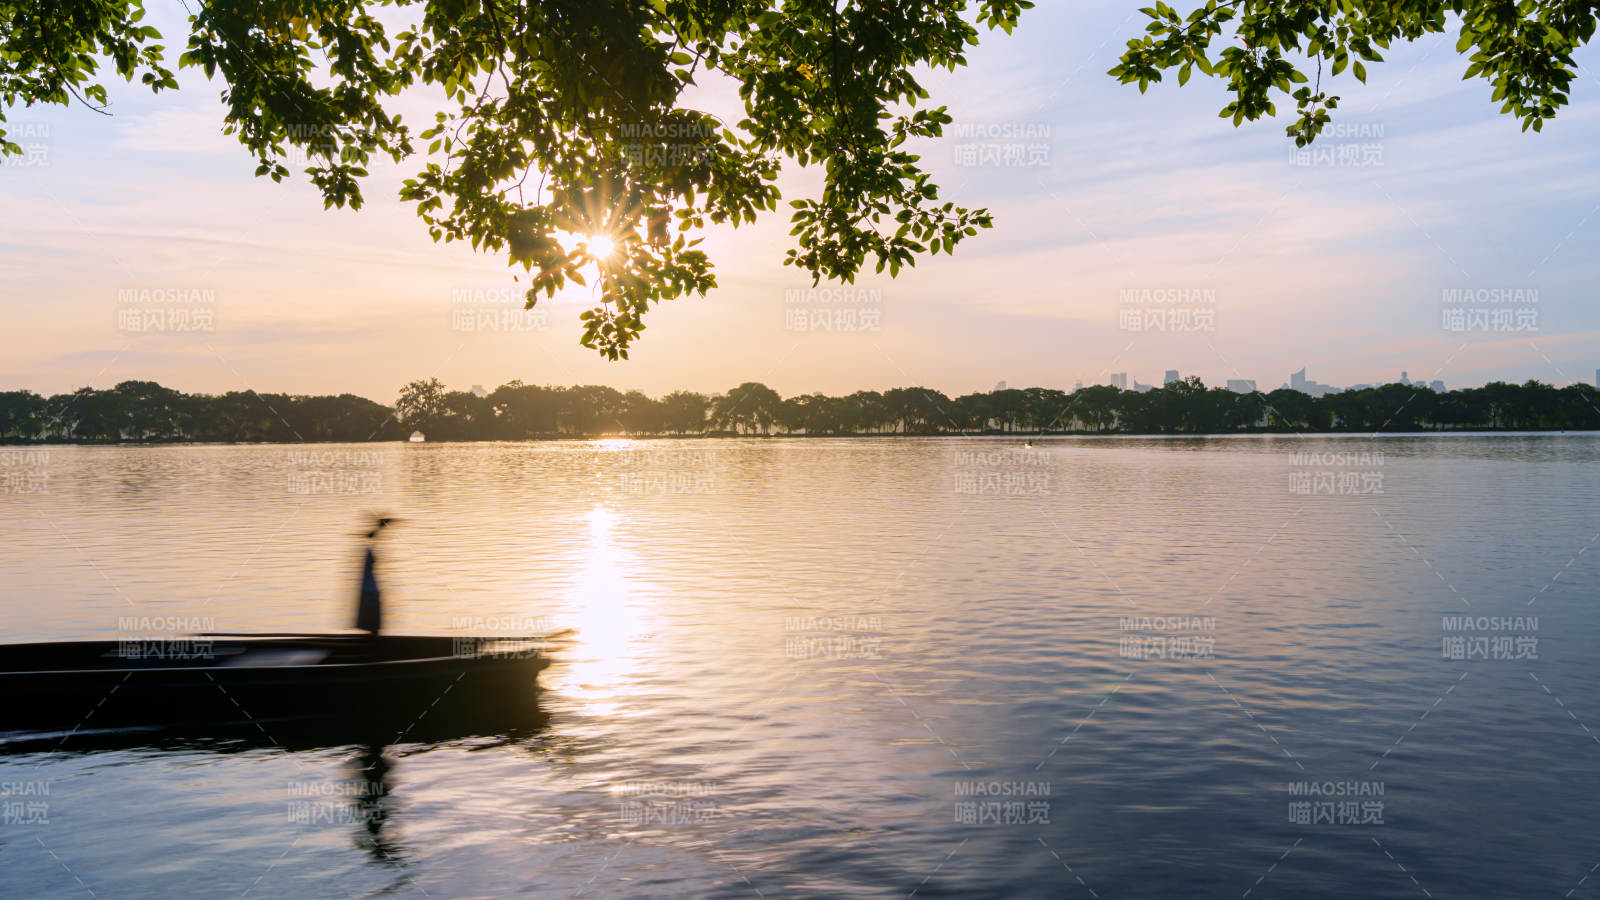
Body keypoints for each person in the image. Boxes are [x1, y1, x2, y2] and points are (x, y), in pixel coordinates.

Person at [355, 517, 396, 635]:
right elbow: (373, 539)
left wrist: (380, 528)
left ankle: (373, 638)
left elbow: (374, 539)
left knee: (373, 625)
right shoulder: (368, 551)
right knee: (373, 625)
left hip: (370, 589)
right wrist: (380, 527)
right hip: (370, 591)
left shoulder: (368, 551)